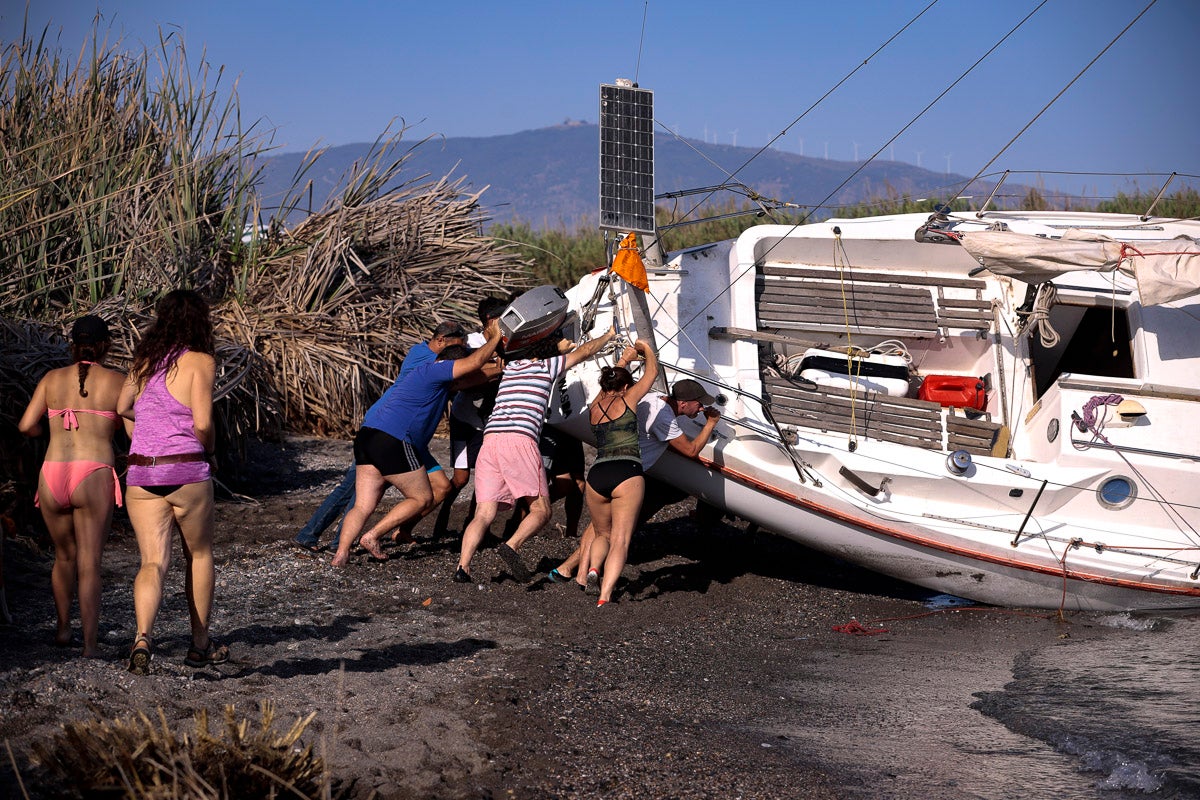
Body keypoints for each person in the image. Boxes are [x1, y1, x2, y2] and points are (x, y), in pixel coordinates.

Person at [330, 320, 502, 568]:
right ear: (453, 364)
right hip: (394, 439)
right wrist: (495, 338)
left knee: (363, 505)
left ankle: (341, 555)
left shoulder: (427, 376)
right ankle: (372, 536)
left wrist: (501, 367)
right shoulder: (437, 370)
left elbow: (473, 377)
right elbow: (474, 365)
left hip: (368, 436)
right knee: (421, 498)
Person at [455, 326, 617, 583]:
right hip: (519, 439)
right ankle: (513, 545)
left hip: (490, 440)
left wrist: (556, 346)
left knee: (484, 513)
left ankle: (462, 568)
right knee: (542, 510)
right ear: (547, 352)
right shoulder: (546, 367)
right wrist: (609, 336)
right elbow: (586, 351)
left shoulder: (510, 367)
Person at [117, 290, 224, 674]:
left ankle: (143, 638)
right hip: (186, 470)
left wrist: (141, 441)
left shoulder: (143, 361)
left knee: (152, 562)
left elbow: (122, 407)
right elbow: (202, 422)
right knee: (199, 555)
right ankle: (199, 645)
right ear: (199, 321)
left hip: (142, 472)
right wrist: (209, 450)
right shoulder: (201, 361)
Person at [292, 321, 467, 553]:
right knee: (357, 489)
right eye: (458, 346)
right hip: (386, 428)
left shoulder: (431, 356)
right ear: (441, 340)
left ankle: (401, 531)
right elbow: (458, 371)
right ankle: (319, 538)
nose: (461, 352)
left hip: (409, 437)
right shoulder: (423, 356)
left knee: (441, 486)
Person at [550, 372, 722, 596]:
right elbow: (690, 450)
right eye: (699, 405)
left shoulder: (652, 398)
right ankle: (599, 591)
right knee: (617, 535)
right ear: (683, 403)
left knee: (598, 527)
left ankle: (573, 571)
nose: (701, 409)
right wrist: (710, 423)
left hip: (603, 466)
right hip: (627, 473)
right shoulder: (665, 419)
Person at [18, 315, 125, 657]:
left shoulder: (51, 379)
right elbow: (131, 430)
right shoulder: (116, 381)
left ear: (73, 345)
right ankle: (90, 645)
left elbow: (24, 426)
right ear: (105, 345)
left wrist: (44, 435)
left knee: (63, 556)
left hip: (51, 473)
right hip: (91, 472)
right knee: (90, 561)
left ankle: (63, 629)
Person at [580, 340, 659, 606]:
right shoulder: (629, 398)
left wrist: (623, 361)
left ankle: (593, 569)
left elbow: (608, 384)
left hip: (597, 474)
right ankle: (604, 596)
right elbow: (652, 374)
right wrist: (645, 349)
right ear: (625, 387)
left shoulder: (594, 407)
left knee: (602, 534)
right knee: (621, 540)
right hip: (626, 471)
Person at [431, 297, 508, 540]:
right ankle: (440, 519)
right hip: (465, 420)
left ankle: (474, 525)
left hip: (489, 422)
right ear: (490, 320)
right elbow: (463, 372)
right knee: (461, 479)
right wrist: (496, 366)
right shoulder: (473, 343)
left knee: (487, 477)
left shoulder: (506, 344)